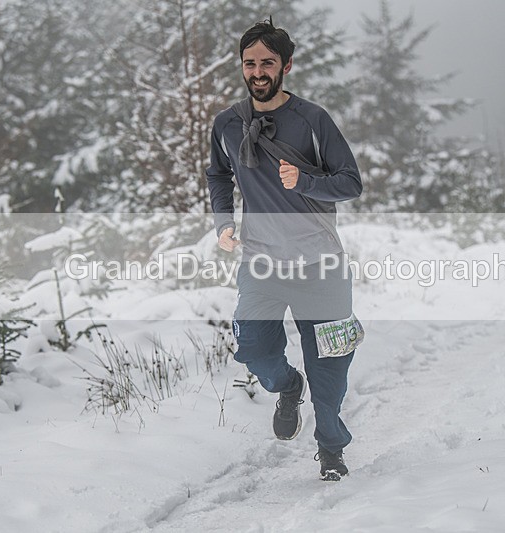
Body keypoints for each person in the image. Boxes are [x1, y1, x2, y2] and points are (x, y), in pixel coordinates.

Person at [205, 18, 363, 481]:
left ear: (286, 66)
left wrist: (307, 180)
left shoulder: (313, 120)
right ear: (241, 65)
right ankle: (286, 385)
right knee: (252, 347)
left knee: (329, 367)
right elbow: (219, 174)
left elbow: (351, 182)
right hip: (261, 261)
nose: (257, 71)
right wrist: (222, 224)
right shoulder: (227, 124)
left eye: (267, 63)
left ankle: (331, 449)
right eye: (249, 62)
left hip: (321, 263)